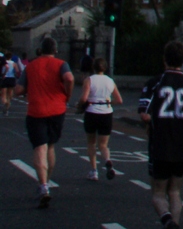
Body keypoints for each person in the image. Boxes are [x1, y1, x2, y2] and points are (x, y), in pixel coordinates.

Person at [139, 41, 183, 229]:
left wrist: (153, 121)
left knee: (158, 192)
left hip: (160, 144)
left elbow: (145, 114)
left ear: (165, 59)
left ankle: (166, 219)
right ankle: (175, 222)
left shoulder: (155, 83)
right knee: (176, 191)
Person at [14, 36, 75, 208]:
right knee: (51, 146)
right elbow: (69, 78)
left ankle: (43, 186)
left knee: (39, 147)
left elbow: (18, 90)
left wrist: (25, 88)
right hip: (57, 110)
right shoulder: (61, 64)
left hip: (36, 111)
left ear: (40, 50)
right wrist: (67, 94)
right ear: (55, 50)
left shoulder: (30, 66)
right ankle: (47, 180)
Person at [78, 57, 123, 180]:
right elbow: (119, 100)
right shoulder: (110, 81)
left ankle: (94, 171)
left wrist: (79, 106)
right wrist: (109, 101)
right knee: (103, 144)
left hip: (92, 112)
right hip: (106, 113)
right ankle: (108, 160)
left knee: (91, 143)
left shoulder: (89, 80)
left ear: (93, 67)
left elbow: (83, 98)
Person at [1, 50, 22, 115]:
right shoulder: (14, 63)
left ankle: (5, 102)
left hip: (4, 78)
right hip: (12, 79)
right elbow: (17, 71)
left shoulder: (3, 62)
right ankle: (7, 107)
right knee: (10, 94)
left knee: (3, 94)